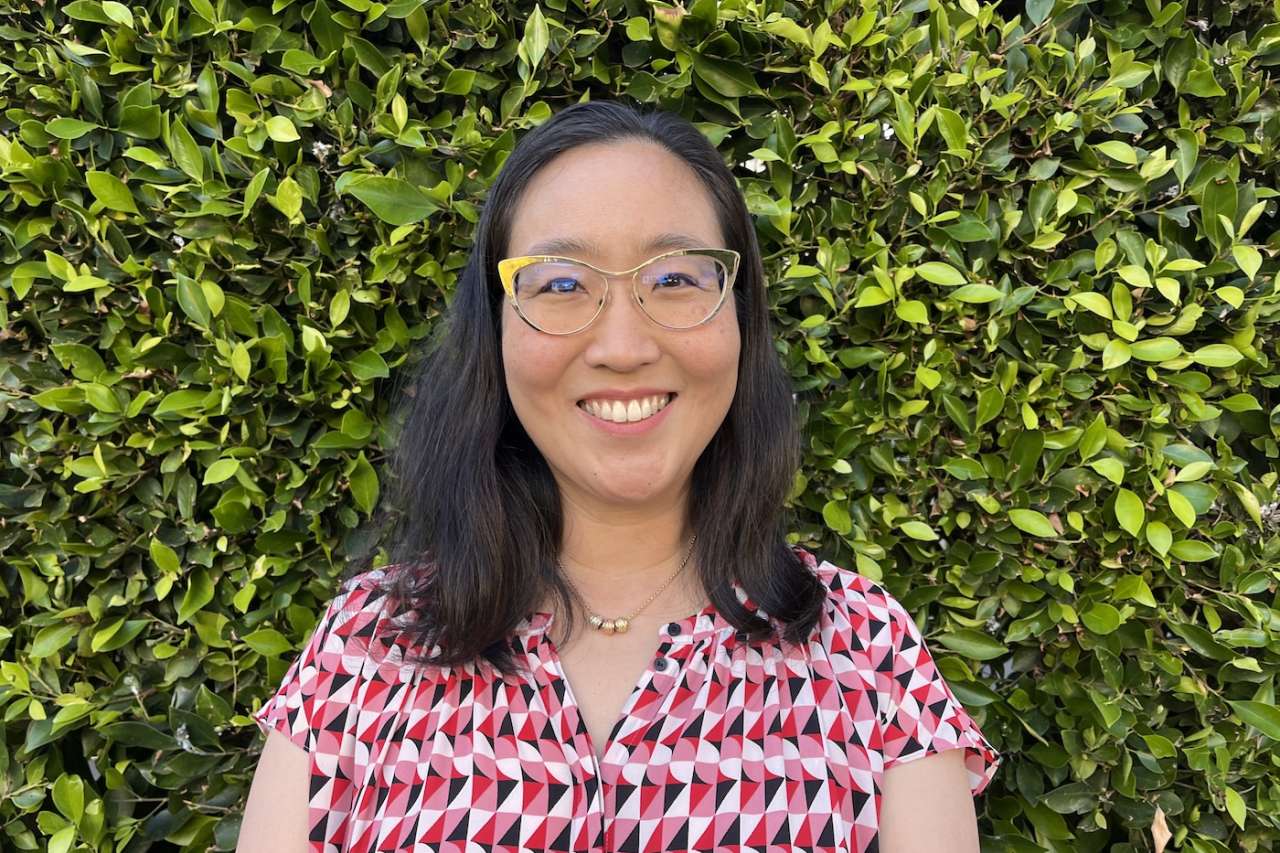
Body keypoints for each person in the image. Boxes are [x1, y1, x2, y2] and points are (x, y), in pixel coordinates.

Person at [237, 99, 1001, 853]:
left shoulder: (866, 653)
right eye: (562, 284)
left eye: (675, 278)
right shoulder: (367, 650)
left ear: (741, 317)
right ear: (495, 331)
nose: (624, 345)